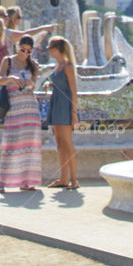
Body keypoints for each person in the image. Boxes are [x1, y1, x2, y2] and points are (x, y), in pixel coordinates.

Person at [0, 35, 41, 191]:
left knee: (29, 145)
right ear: (17, 46)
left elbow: (33, 87)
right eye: (22, 50)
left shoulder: (34, 65)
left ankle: (27, 181)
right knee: (10, 143)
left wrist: (29, 84)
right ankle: (2, 182)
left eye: (29, 51)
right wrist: (10, 78)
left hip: (30, 108)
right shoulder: (8, 61)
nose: (25, 53)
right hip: (13, 107)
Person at [44, 36, 79, 189]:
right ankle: (63, 179)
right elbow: (59, 83)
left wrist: (74, 113)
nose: (49, 51)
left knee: (67, 143)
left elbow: (73, 91)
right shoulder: (58, 66)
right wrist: (49, 83)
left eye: (50, 48)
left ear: (56, 49)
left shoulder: (68, 67)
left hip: (65, 107)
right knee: (59, 143)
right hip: (56, 105)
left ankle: (74, 180)